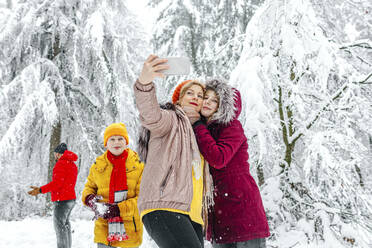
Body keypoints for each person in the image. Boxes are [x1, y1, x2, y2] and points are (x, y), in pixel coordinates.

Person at [134, 54, 213, 248]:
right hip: (164, 204)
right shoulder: (170, 120)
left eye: (200, 95)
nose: (196, 97)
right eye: (190, 93)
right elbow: (150, 114)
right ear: (179, 97)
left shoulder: (200, 132)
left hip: (192, 214)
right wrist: (144, 83)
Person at [190, 79, 270, 248]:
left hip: (241, 208)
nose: (208, 102)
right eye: (206, 97)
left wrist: (197, 125)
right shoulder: (206, 129)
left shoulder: (232, 126)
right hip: (221, 213)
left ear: (223, 106)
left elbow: (219, 158)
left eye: (215, 100)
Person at [82, 123, 144, 248]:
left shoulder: (138, 165)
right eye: (112, 139)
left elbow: (142, 199)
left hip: (130, 229)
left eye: (120, 138)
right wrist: (90, 200)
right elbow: (89, 187)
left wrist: (117, 209)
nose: (117, 142)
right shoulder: (98, 165)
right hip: (104, 229)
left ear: (126, 141)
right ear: (106, 143)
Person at [28, 142, 78, 248]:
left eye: (55, 153)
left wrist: (40, 190)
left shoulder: (61, 163)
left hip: (62, 200)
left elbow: (57, 184)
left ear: (59, 154)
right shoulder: (72, 164)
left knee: (60, 227)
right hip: (71, 199)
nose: (54, 155)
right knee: (66, 225)